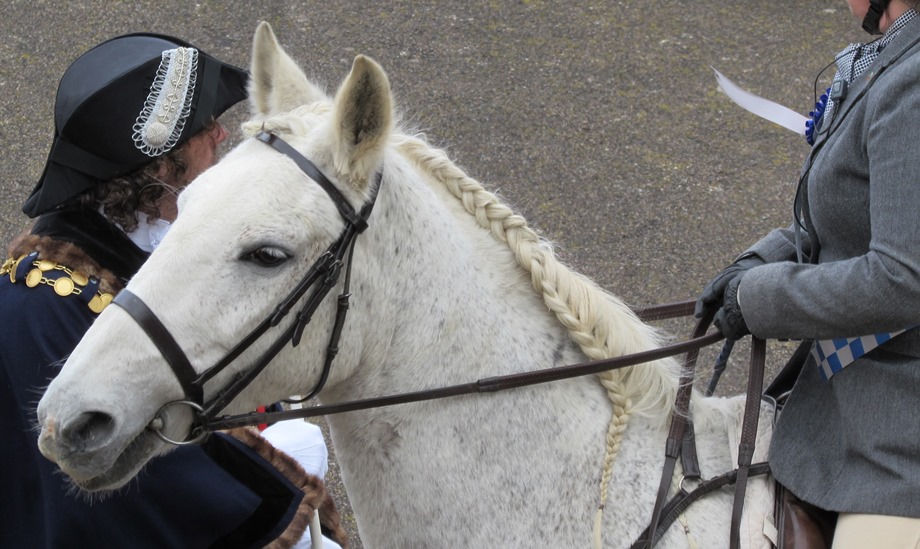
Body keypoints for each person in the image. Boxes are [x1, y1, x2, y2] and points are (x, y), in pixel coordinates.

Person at [0, 33, 346, 548]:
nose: (222, 134)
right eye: (205, 129)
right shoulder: (44, 306)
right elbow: (124, 492)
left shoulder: (161, 242)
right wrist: (278, 472)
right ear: (159, 167)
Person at [696, 1, 920, 547]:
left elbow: (902, 279)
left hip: (900, 438)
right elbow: (847, 216)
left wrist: (760, 299)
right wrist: (755, 262)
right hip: (836, 406)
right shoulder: (891, 59)